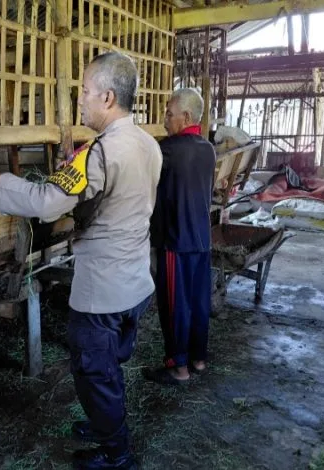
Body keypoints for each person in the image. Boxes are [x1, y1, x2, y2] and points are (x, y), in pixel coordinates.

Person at [0, 52, 162, 469]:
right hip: (136, 281)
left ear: (108, 97)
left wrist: (2, 182)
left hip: (103, 291)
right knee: (110, 367)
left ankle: (117, 455)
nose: (79, 100)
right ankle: (105, 425)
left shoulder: (100, 152)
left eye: (84, 91)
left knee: (95, 374)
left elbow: (47, 203)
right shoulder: (148, 144)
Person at [145, 88, 216, 385]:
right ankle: (198, 359)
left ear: (185, 117)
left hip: (177, 241)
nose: (164, 120)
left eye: (169, 114)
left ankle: (179, 367)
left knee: (175, 306)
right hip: (202, 240)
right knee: (199, 303)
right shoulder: (208, 149)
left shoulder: (168, 150)